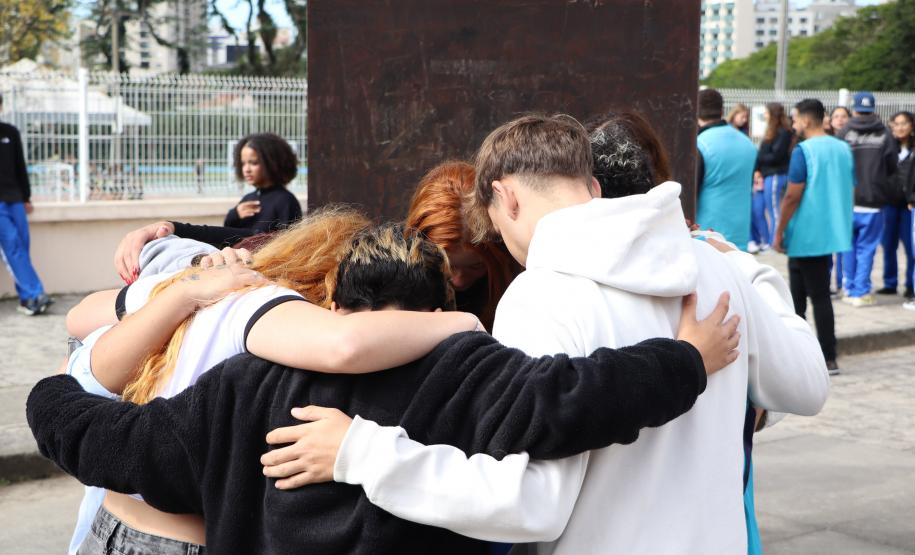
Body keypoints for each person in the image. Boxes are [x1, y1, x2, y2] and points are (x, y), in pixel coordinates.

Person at [276, 114, 830, 554]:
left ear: (506, 197)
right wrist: (750, 269)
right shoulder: (711, 265)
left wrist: (362, 453)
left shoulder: (543, 295)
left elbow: (531, 504)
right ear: (590, 184)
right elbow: (807, 386)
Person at [28, 223, 737, 554]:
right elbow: (578, 395)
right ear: (436, 307)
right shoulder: (474, 369)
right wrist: (685, 359)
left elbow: (123, 446)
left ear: (332, 301)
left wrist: (55, 392)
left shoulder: (248, 384)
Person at [58, 208, 488, 554]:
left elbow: (79, 325)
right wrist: (464, 322)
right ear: (327, 286)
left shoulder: (196, 288)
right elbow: (345, 345)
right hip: (174, 538)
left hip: (108, 521)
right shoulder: (264, 309)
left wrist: (182, 290)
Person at [773, 99, 854, 375]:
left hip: (806, 231)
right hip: (829, 231)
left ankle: (825, 356)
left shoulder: (803, 150)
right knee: (803, 293)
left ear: (806, 120)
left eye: (795, 118)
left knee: (812, 297)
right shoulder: (843, 148)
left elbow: (793, 194)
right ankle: (809, 352)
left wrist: (779, 229)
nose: (794, 123)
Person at [406, 162, 521, 330]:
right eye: (446, 265)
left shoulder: (518, 290)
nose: (458, 281)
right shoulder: (398, 287)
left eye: (476, 266)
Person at [836, 92, 898, 306]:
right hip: (873, 201)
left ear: (854, 109)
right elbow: (892, 165)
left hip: (847, 201)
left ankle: (848, 288)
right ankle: (861, 292)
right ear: (873, 109)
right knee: (867, 248)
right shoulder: (884, 134)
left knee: (848, 247)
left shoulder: (845, 132)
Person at [0, 94, 52, 315]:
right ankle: (35, 294)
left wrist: (26, 197)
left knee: (22, 245)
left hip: (15, 198)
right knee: (12, 244)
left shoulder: (10, 132)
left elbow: (20, 166)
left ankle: (26, 300)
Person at [696, 89, 758, 251]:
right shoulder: (747, 143)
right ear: (722, 111)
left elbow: (691, 193)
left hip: (707, 237)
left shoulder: (699, 144)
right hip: (740, 234)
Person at [223, 133, 302, 234]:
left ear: (272, 162)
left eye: (254, 163)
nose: (246, 169)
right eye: (243, 163)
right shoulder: (247, 199)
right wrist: (234, 215)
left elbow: (289, 242)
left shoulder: (286, 201)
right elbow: (227, 235)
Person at [878, 111, 914, 300]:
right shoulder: (886, 146)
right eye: (896, 123)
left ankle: (910, 284)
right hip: (889, 203)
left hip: (909, 206)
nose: (900, 127)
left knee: (910, 246)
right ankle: (890, 283)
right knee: (888, 244)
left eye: (904, 123)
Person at [751, 103, 794, 254]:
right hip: (766, 175)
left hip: (776, 174)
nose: (765, 115)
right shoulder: (771, 131)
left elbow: (776, 156)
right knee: (758, 209)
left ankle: (774, 243)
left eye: (767, 112)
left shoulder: (783, 132)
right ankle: (765, 241)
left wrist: (760, 158)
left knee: (774, 211)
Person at [828, 106, 853, 293]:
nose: (840, 120)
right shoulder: (826, 141)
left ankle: (843, 281)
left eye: (843, 116)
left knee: (845, 244)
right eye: (836, 116)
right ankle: (827, 282)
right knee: (827, 245)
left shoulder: (852, 143)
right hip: (828, 199)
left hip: (847, 199)